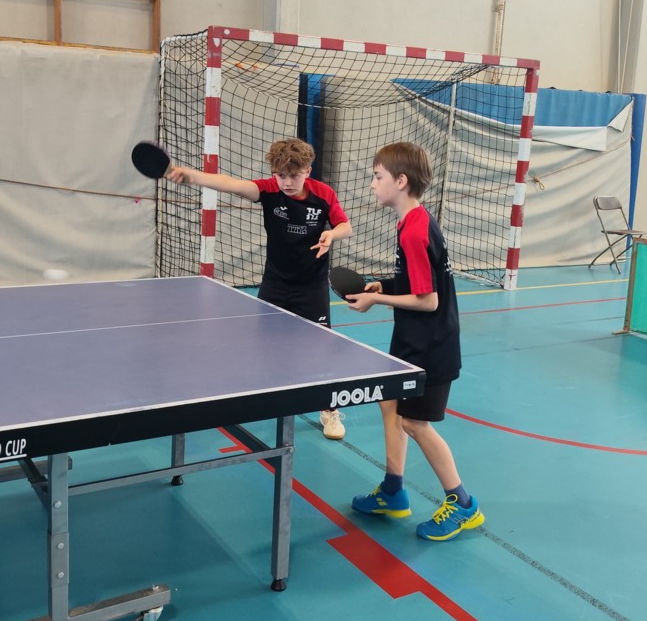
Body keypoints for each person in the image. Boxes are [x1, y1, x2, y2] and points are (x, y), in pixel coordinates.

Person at [167, 137, 352, 439]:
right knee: (266, 347)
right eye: (281, 175)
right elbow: (231, 184)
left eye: (294, 175)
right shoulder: (268, 190)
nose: (287, 182)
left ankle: (328, 409)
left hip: (312, 287)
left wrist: (333, 234)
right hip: (275, 284)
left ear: (308, 170)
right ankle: (271, 397)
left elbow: (346, 225)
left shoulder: (323, 194)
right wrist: (191, 176)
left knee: (320, 351)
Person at [345, 142, 483, 541]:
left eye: (378, 177)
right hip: (412, 339)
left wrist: (376, 299)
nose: (372, 184)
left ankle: (463, 504)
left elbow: (428, 300)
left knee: (414, 423)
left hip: (432, 346)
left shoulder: (415, 230)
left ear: (401, 181)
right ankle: (393, 491)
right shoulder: (412, 221)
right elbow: (420, 280)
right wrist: (385, 285)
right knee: (389, 402)